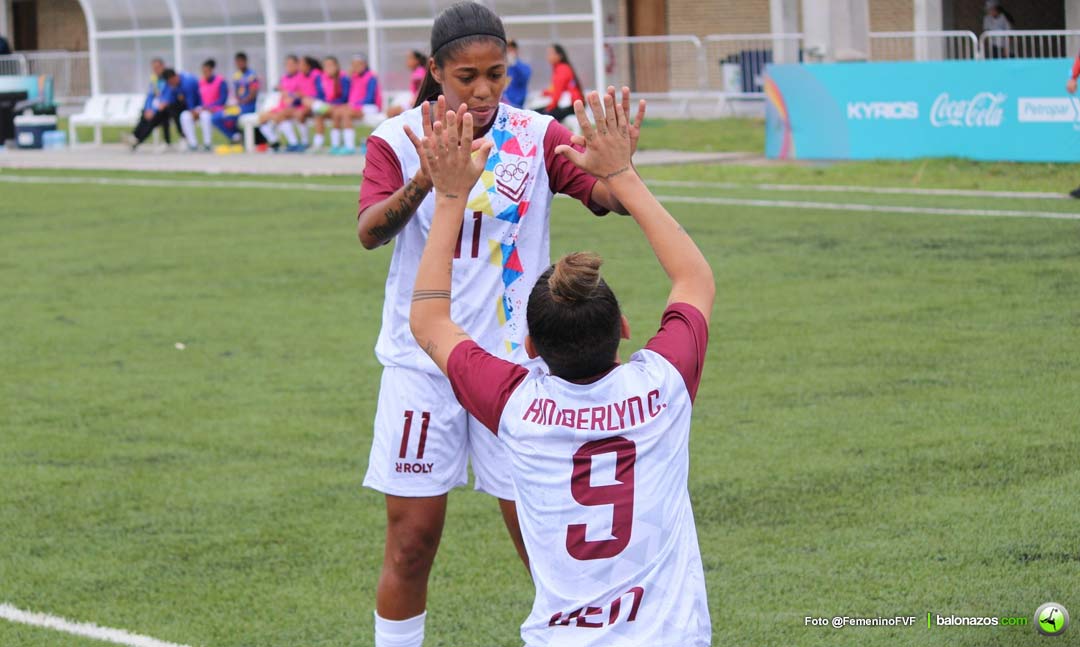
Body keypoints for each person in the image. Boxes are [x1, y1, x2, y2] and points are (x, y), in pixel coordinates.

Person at [355, 3, 646, 646]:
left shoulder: (535, 135)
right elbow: (370, 231)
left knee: (542, 539)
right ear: (435, 71)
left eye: (497, 74)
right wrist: (426, 181)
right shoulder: (398, 139)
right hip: (422, 365)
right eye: (467, 77)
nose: (485, 90)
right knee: (410, 545)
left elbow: (601, 196)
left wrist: (615, 168)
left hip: (517, 374)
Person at [409, 93, 714, 647]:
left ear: (528, 345)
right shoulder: (662, 386)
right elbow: (694, 279)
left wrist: (450, 196)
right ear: (623, 326)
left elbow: (429, 320)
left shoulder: (516, 405)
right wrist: (622, 173)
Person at [330, 54, 383, 155]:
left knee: (346, 113)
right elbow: (344, 92)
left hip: (370, 107)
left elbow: (370, 98)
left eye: (358, 64)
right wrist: (347, 77)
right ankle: (335, 145)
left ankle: (349, 147)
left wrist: (353, 104)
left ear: (364, 64)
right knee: (336, 112)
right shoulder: (353, 77)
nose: (355, 67)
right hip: (356, 106)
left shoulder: (371, 77)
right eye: (353, 65)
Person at [211, 51, 259, 150]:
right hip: (239, 106)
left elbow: (253, 94)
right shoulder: (236, 76)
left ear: (246, 62)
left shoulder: (252, 75)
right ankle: (235, 136)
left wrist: (242, 102)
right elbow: (237, 93)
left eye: (241, 62)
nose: (239, 64)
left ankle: (238, 136)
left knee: (224, 116)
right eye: (237, 62)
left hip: (248, 107)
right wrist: (234, 102)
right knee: (215, 117)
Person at [257, 54, 303, 151]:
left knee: (280, 116)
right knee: (262, 117)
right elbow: (280, 93)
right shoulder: (284, 78)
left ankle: (293, 143)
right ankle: (274, 142)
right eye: (287, 64)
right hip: (281, 106)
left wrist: (289, 94)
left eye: (291, 64)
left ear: (297, 65)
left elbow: (301, 94)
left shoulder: (301, 77)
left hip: (296, 106)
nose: (289, 67)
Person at [307, 55, 349, 153]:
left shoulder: (343, 78)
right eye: (326, 66)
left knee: (335, 113)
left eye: (331, 65)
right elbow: (320, 95)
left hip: (341, 106)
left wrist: (333, 104)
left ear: (337, 66)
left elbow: (345, 97)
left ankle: (336, 145)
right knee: (318, 114)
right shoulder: (322, 79)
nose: (328, 68)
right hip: (328, 107)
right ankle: (318, 144)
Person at [540, 44, 584, 124]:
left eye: (551, 54)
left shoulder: (562, 69)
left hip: (573, 106)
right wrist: (546, 93)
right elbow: (557, 89)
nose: (548, 56)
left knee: (541, 116)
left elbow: (558, 92)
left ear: (559, 56)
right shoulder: (559, 68)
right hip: (570, 104)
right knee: (538, 112)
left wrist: (549, 108)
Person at [194, 59, 229, 152]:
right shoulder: (201, 82)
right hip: (204, 109)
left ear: (211, 70)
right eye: (203, 71)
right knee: (185, 116)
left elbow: (223, 100)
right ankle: (192, 144)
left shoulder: (220, 81)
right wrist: (198, 108)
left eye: (206, 71)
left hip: (217, 109)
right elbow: (199, 99)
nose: (205, 73)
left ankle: (207, 144)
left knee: (205, 116)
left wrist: (210, 107)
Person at [387, 50, 428, 118]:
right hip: (417, 102)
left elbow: (422, 88)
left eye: (410, 58)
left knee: (391, 112)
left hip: (418, 104)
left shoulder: (419, 72)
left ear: (416, 60)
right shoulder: (419, 71)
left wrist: (414, 102)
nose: (407, 61)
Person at [504, 39, 531, 109]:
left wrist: (515, 64)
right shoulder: (502, 68)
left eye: (512, 49)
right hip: (502, 105)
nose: (510, 52)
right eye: (508, 49)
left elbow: (524, 78)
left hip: (517, 106)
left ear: (516, 50)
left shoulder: (524, 67)